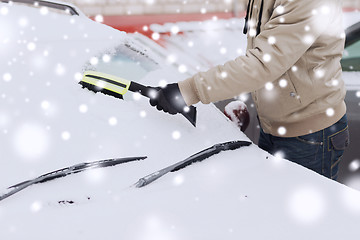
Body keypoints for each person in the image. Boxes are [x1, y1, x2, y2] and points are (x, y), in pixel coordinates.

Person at [149, 0, 349, 180]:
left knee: (301, 216)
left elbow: (263, 63)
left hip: (310, 135)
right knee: (271, 211)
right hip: (275, 126)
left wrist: (190, 90)